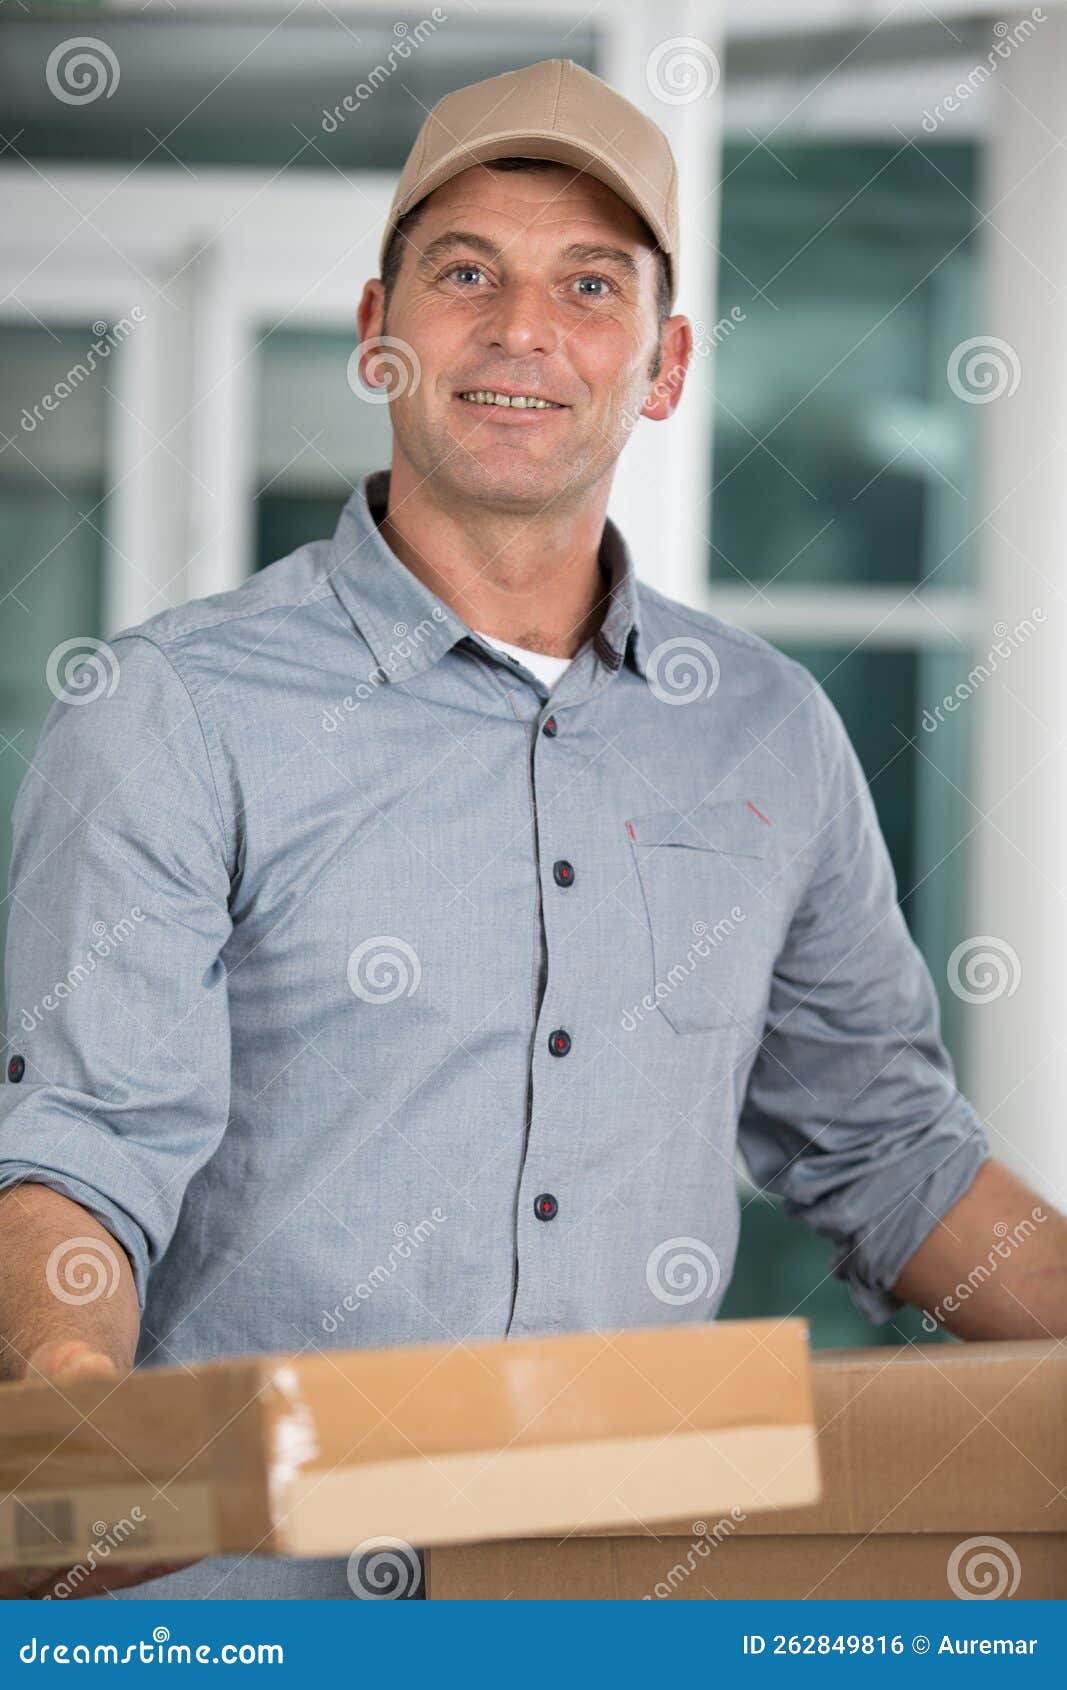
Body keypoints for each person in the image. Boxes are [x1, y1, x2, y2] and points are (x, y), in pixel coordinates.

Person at [1, 59, 1064, 1602]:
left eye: (589, 285)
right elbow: (80, 1153)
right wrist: (78, 1426)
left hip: (611, 1603)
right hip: (242, 1609)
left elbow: (892, 1156)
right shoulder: (176, 711)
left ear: (665, 364)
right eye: (465, 274)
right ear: (378, 329)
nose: (521, 329)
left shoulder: (768, 734)